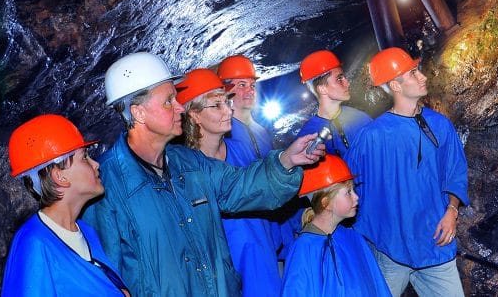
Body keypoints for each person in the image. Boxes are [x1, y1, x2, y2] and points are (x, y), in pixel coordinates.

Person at [82, 51, 324, 297]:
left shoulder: (189, 164)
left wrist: (286, 161)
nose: (180, 108)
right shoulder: (106, 187)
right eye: (169, 101)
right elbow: (106, 277)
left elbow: (240, 186)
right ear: (138, 113)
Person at [349, 47, 469, 297]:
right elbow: (348, 185)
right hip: (391, 249)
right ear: (395, 85)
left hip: (435, 244)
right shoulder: (372, 136)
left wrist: (452, 211)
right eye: (413, 73)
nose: (423, 77)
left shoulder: (440, 125)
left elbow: (455, 172)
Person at [177, 68, 286, 297]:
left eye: (227, 102)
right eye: (217, 105)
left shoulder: (242, 150)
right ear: (194, 115)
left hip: (262, 259)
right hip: (222, 275)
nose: (229, 110)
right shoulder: (184, 170)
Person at [3, 114, 129, 297]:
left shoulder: (86, 232)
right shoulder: (34, 244)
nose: (96, 164)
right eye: (85, 158)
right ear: (59, 177)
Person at [280, 155, 391, 297]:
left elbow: (376, 286)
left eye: (354, 190)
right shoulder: (305, 249)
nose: (356, 197)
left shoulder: (353, 238)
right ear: (326, 203)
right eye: (348, 192)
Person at [296, 50, 371, 160]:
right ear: (322, 89)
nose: (347, 83)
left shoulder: (361, 119)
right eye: (339, 79)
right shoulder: (307, 137)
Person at [217, 54, 272, 156]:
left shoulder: (262, 132)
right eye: (242, 85)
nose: (250, 90)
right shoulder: (218, 132)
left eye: (252, 85)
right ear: (225, 90)